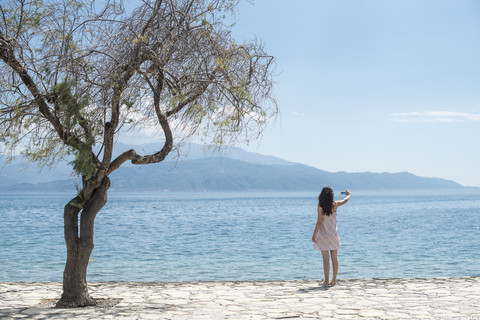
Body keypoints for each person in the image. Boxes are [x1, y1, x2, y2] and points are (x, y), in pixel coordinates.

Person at [312, 187, 351, 286]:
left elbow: (319, 222)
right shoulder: (335, 204)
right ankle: (333, 280)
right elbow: (345, 200)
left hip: (323, 235)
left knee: (325, 259)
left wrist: (314, 234)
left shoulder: (320, 206)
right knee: (334, 258)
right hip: (333, 234)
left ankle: (326, 281)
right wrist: (348, 194)